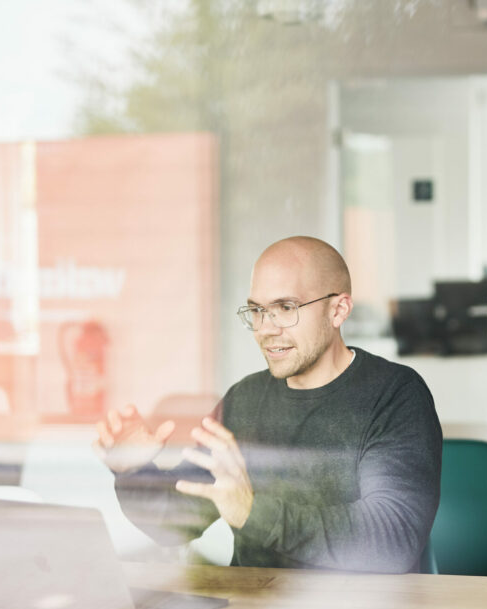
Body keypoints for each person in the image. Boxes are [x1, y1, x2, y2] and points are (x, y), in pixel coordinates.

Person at [94, 236, 442, 573]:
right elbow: (174, 526)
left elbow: (391, 544)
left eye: (285, 308)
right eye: (257, 311)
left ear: (338, 310)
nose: (265, 329)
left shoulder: (395, 395)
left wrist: (252, 511)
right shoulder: (244, 401)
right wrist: (133, 471)